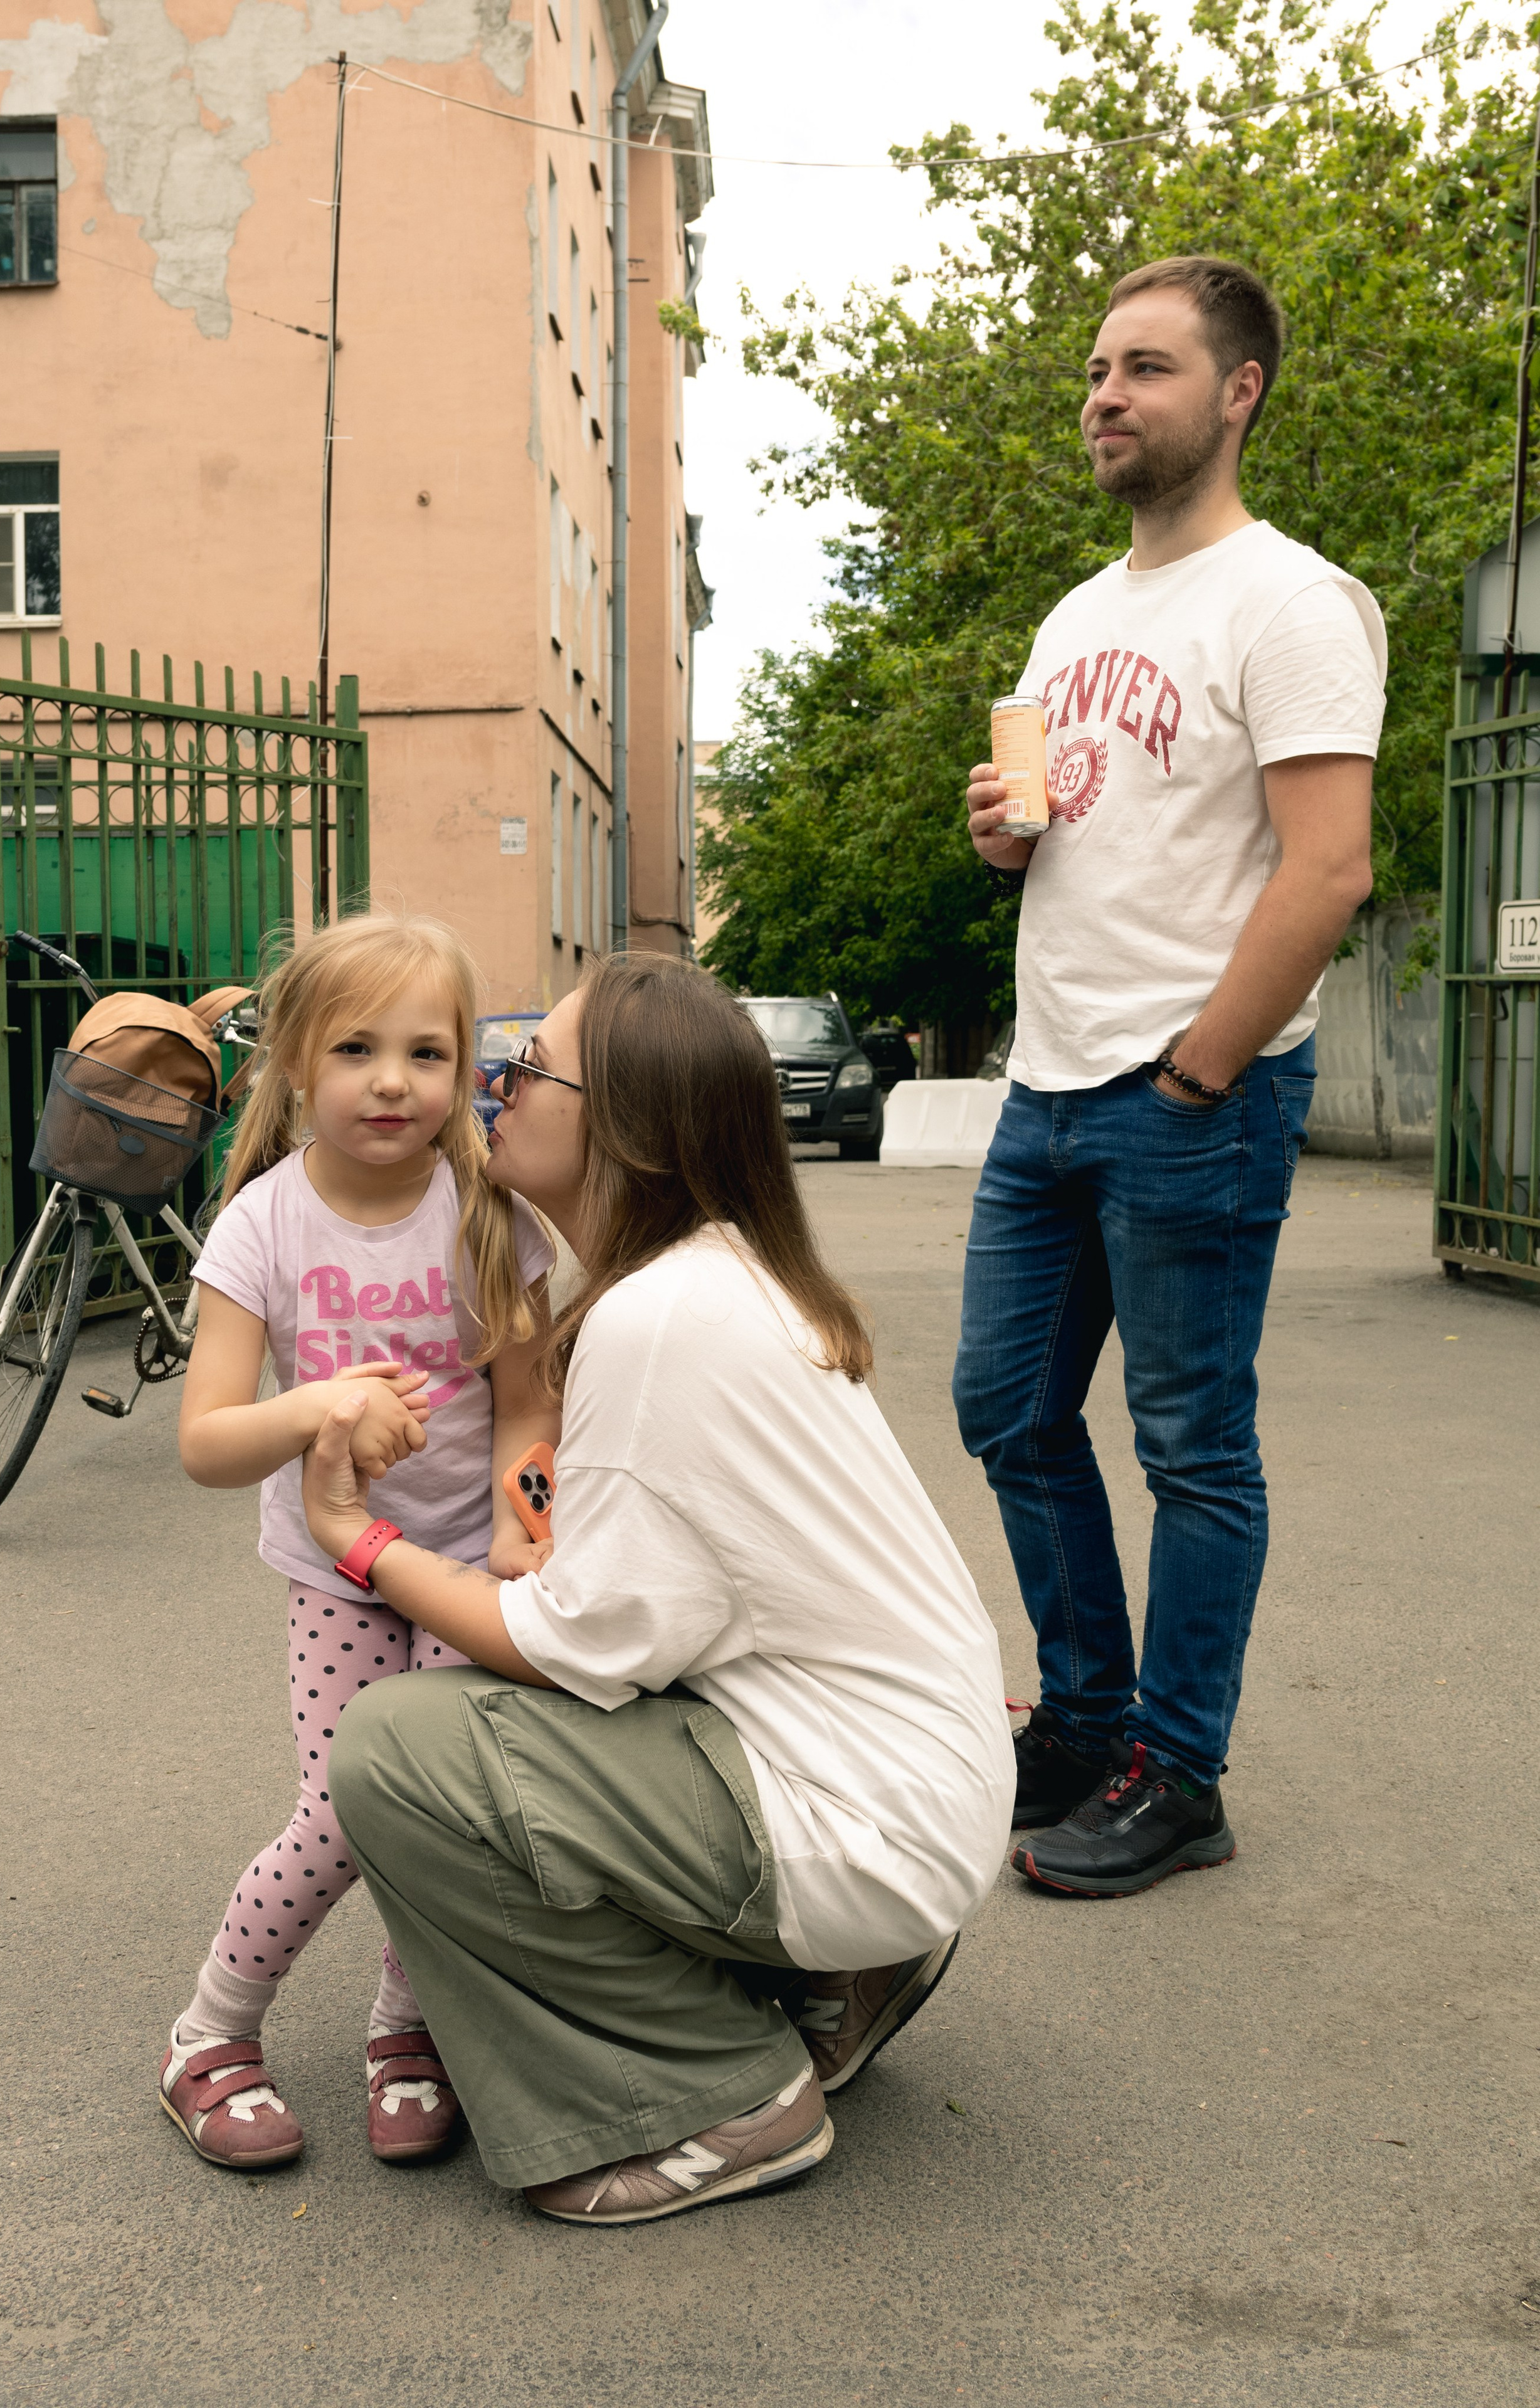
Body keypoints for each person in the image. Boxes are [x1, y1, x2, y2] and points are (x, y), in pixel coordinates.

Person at [304, 955, 1015, 2226]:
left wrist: (360, 1546)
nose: (493, 1081)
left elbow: (573, 1648)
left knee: (395, 1751)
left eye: (530, 1067)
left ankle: (719, 2096)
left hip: (860, 1816)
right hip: (907, 1785)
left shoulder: (659, 1317)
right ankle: (836, 1975)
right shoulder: (714, 1275)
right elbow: (658, 1593)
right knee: (487, 1729)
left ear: (625, 1123)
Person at [953, 255, 1384, 1898]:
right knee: (1006, 1407)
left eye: (1144, 367)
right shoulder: (1078, 615)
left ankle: (1179, 1772)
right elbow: (1075, 831)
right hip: (1047, 1086)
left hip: (1185, 1097)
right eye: (1096, 370)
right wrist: (1004, 837)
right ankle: (1082, 1718)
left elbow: (1326, 868)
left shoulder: (1292, 603)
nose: (1105, 396)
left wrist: (1205, 1065)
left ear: (1238, 392)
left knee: (1193, 1444)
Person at [161, 912, 556, 2171]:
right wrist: (319, 1405)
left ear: (463, 1068)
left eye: (427, 1052)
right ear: (292, 1063)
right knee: (340, 1814)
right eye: (355, 1049)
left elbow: (530, 1402)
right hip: (333, 1574)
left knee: (439, 1814)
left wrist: (519, 1528)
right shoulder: (264, 1226)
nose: (393, 1081)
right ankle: (209, 2036)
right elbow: (208, 1441)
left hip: (462, 1573)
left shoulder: (489, 1207)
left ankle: (406, 2033)